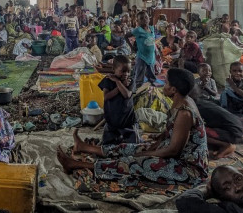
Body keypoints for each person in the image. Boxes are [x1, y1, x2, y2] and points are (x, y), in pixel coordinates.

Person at [56, 68, 208, 187]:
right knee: (128, 148)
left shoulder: (185, 113)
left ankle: (75, 164)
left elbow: (174, 150)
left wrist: (148, 153)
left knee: (134, 162)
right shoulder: (182, 100)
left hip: (188, 168)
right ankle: (84, 147)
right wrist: (158, 139)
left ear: (174, 89)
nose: (164, 84)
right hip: (173, 151)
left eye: (166, 82)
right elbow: (174, 131)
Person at [99, 55, 137, 144]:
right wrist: (119, 84)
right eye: (123, 71)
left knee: (131, 144)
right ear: (114, 69)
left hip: (127, 119)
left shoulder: (130, 81)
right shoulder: (108, 80)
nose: (126, 74)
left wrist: (118, 82)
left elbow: (127, 94)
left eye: (128, 71)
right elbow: (106, 96)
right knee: (108, 143)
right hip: (112, 119)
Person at [132, 11, 157, 91]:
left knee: (152, 75)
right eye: (141, 19)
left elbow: (152, 41)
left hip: (151, 57)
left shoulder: (152, 29)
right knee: (139, 77)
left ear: (149, 18)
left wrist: (155, 52)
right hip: (142, 57)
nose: (144, 20)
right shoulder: (138, 30)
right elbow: (126, 36)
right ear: (138, 21)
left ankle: (152, 92)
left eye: (146, 17)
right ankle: (136, 93)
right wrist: (132, 47)